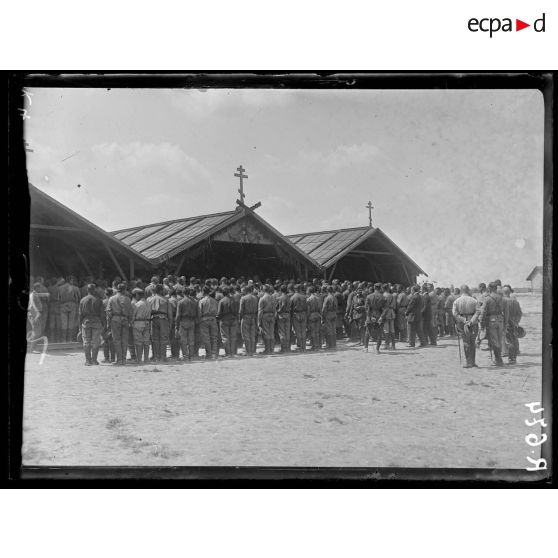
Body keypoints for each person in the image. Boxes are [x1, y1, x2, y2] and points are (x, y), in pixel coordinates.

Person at [452, 284, 481, 368]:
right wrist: (471, 321)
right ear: (468, 290)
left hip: (462, 323)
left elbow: (454, 313)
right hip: (473, 323)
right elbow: (478, 312)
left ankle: (469, 362)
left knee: (465, 341)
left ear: (461, 291)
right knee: (472, 342)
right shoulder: (474, 300)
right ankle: (473, 362)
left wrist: (463, 320)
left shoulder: (456, 301)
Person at [78, 283, 105, 366]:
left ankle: (87, 361)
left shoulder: (83, 300)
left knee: (86, 341)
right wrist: (103, 324)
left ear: (87, 290)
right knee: (96, 341)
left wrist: (79, 325)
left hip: (86, 321)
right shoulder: (99, 300)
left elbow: (80, 314)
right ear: (94, 290)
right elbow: (102, 314)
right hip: (97, 322)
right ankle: (94, 360)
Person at [478, 282, 505, 366]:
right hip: (501, 320)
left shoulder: (487, 299)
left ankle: (498, 360)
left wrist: (482, 323)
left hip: (491, 321)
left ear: (489, 288)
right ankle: (499, 359)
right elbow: (505, 311)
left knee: (494, 340)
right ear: (496, 288)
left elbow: (483, 312)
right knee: (499, 340)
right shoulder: (501, 298)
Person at [106, 283, 133, 365]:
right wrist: (130, 321)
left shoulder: (112, 298)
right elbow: (130, 312)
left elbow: (109, 312)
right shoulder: (128, 299)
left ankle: (119, 360)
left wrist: (108, 323)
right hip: (125, 319)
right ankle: (124, 359)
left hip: (115, 319)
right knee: (124, 340)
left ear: (117, 289)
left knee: (116, 340)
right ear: (124, 289)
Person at [148, 284, 174, 362]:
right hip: (163, 319)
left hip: (153, 319)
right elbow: (170, 313)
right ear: (160, 290)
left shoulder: (150, 299)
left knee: (154, 338)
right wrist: (170, 323)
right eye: (163, 290)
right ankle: (163, 357)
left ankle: (156, 357)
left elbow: (148, 312)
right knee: (163, 338)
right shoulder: (166, 300)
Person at [131, 288, 152, 364]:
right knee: (146, 341)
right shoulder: (149, 303)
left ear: (138, 295)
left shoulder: (138, 304)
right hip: (147, 322)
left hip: (138, 323)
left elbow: (133, 315)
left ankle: (139, 359)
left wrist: (132, 322)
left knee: (138, 341)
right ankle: (146, 359)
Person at [502, 286, 522, 364]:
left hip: (506, 323)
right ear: (510, 292)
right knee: (514, 339)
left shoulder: (502, 301)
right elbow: (519, 313)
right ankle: (514, 358)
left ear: (503, 293)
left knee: (509, 341)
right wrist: (516, 322)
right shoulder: (515, 301)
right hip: (514, 323)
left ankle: (511, 359)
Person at [198, 285, 219, 359]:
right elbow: (217, 312)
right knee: (214, 337)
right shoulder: (214, 301)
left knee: (206, 338)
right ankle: (214, 354)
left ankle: (209, 354)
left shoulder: (202, 301)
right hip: (213, 319)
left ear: (203, 292)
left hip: (204, 320)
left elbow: (200, 312)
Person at [217, 286, 238, 357]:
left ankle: (228, 353)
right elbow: (236, 311)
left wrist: (218, 319)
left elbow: (219, 313)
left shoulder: (221, 301)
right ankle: (232, 352)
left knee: (225, 337)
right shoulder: (234, 300)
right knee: (233, 336)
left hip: (224, 320)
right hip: (233, 319)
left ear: (223, 293)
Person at [58, 276, 81, 342]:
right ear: (71, 280)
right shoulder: (75, 288)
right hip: (72, 305)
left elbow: (58, 298)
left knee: (64, 323)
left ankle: (63, 340)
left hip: (63, 305)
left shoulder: (60, 288)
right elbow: (79, 298)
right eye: (72, 280)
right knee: (71, 322)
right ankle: (69, 339)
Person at [364, 283, 385, 353]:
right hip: (379, 316)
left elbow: (367, 308)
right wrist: (381, 317)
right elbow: (385, 309)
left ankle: (366, 348)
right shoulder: (383, 297)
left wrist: (370, 316)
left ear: (374, 288)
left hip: (370, 316)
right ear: (380, 288)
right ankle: (377, 350)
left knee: (367, 332)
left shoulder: (369, 296)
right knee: (379, 333)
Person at [239, 285, 258, 356]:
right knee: (252, 335)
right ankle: (252, 351)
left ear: (246, 291)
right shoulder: (255, 298)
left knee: (246, 335)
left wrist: (240, 319)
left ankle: (248, 351)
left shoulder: (243, 298)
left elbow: (241, 310)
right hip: (253, 317)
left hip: (245, 317)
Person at [258, 284, 276, 355]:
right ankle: (272, 350)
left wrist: (259, 321)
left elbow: (260, 311)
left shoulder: (262, 299)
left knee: (266, 333)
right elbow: (275, 309)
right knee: (271, 333)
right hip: (272, 315)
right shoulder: (273, 298)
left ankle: (267, 350)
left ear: (263, 290)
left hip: (265, 316)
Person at [290, 284, 308, 352]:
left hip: (296, 314)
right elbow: (307, 307)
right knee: (303, 330)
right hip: (303, 313)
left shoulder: (292, 297)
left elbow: (290, 308)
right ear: (300, 289)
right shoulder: (305, 297)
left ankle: (299, 345)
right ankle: (304, 346)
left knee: (297, 331)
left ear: (295, 289)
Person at [27, 282, 45, 351]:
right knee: (36, 332)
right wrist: (36, 315)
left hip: (35, 314)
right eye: (39, 287)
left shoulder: (34, 294)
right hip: (34, 315)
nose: (40, 289)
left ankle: (32, 346)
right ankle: (32, 348)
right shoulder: (33, 294)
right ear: (36, 288)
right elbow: (32, 306)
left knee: (37, 331)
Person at [275, 284, 292, 353]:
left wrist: (278, 311)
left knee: (282, 332)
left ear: (280, 290)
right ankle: (288, 348)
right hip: (288, 315)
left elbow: (276, 307)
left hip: (281, 315)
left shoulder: (279, 298)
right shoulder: (289, 298)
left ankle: (283, 348)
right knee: (287, 331)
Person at [381, 283, 397, 350]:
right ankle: (393, 345)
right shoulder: (392, 295)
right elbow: (394, 306)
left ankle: (387, 345)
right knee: (392, 330)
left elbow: (382, 306)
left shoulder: (383, 296)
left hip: (385, 313)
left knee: (386, 330)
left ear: (383, 289)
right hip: (392, 313)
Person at [306, 286, 321, 351]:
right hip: (318, 315)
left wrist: (308, 317)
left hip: (311, 315)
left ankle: (314, 346)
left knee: (312, 331)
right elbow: (320, 308)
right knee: (317, 331)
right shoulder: (318, 298)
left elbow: (308, 310)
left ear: (309, 291)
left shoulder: (309, 299)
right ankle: (317, 345)